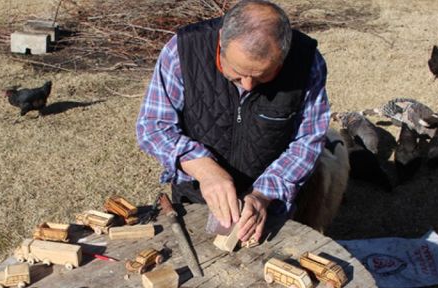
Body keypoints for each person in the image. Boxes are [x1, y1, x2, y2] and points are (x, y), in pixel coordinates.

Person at [136, 0, 334, 243]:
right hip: (195, 200)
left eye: (262, 75)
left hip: (271, 207)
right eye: (237, 73)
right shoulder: (183, 51)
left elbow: (308, 142)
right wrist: (203, 168)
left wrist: (264, 194)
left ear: (283, 54)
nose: (249, 85)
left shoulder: (306, 62)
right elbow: (154, 126)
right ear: (221, 41)